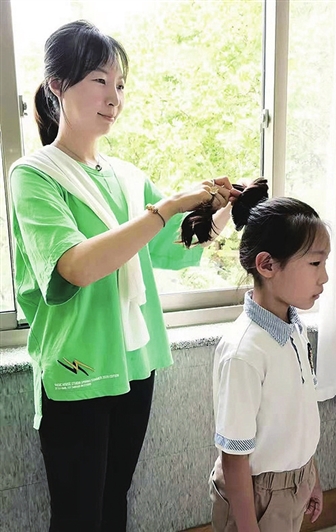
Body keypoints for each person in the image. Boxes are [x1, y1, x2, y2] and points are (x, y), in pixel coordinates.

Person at [9, 20, 239, 532]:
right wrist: (168, 206)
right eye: (99, 80)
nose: (113, 98)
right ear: (57, 85)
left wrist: (220, 211)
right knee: (78, 514)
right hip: (77, 363)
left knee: (114, 500)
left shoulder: (128, 177)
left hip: (135, 359)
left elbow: (171, 245)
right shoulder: (33, 175)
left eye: (120, 84)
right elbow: (76, 265)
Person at [207, 185, 330, 532]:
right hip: (256, 495)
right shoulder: (244, 353)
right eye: (315, 263)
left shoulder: (294, 328)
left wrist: (309, 477)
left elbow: (298, 416)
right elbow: (234, 458)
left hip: (296, 483)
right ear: (267, 265)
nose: (324, 277)